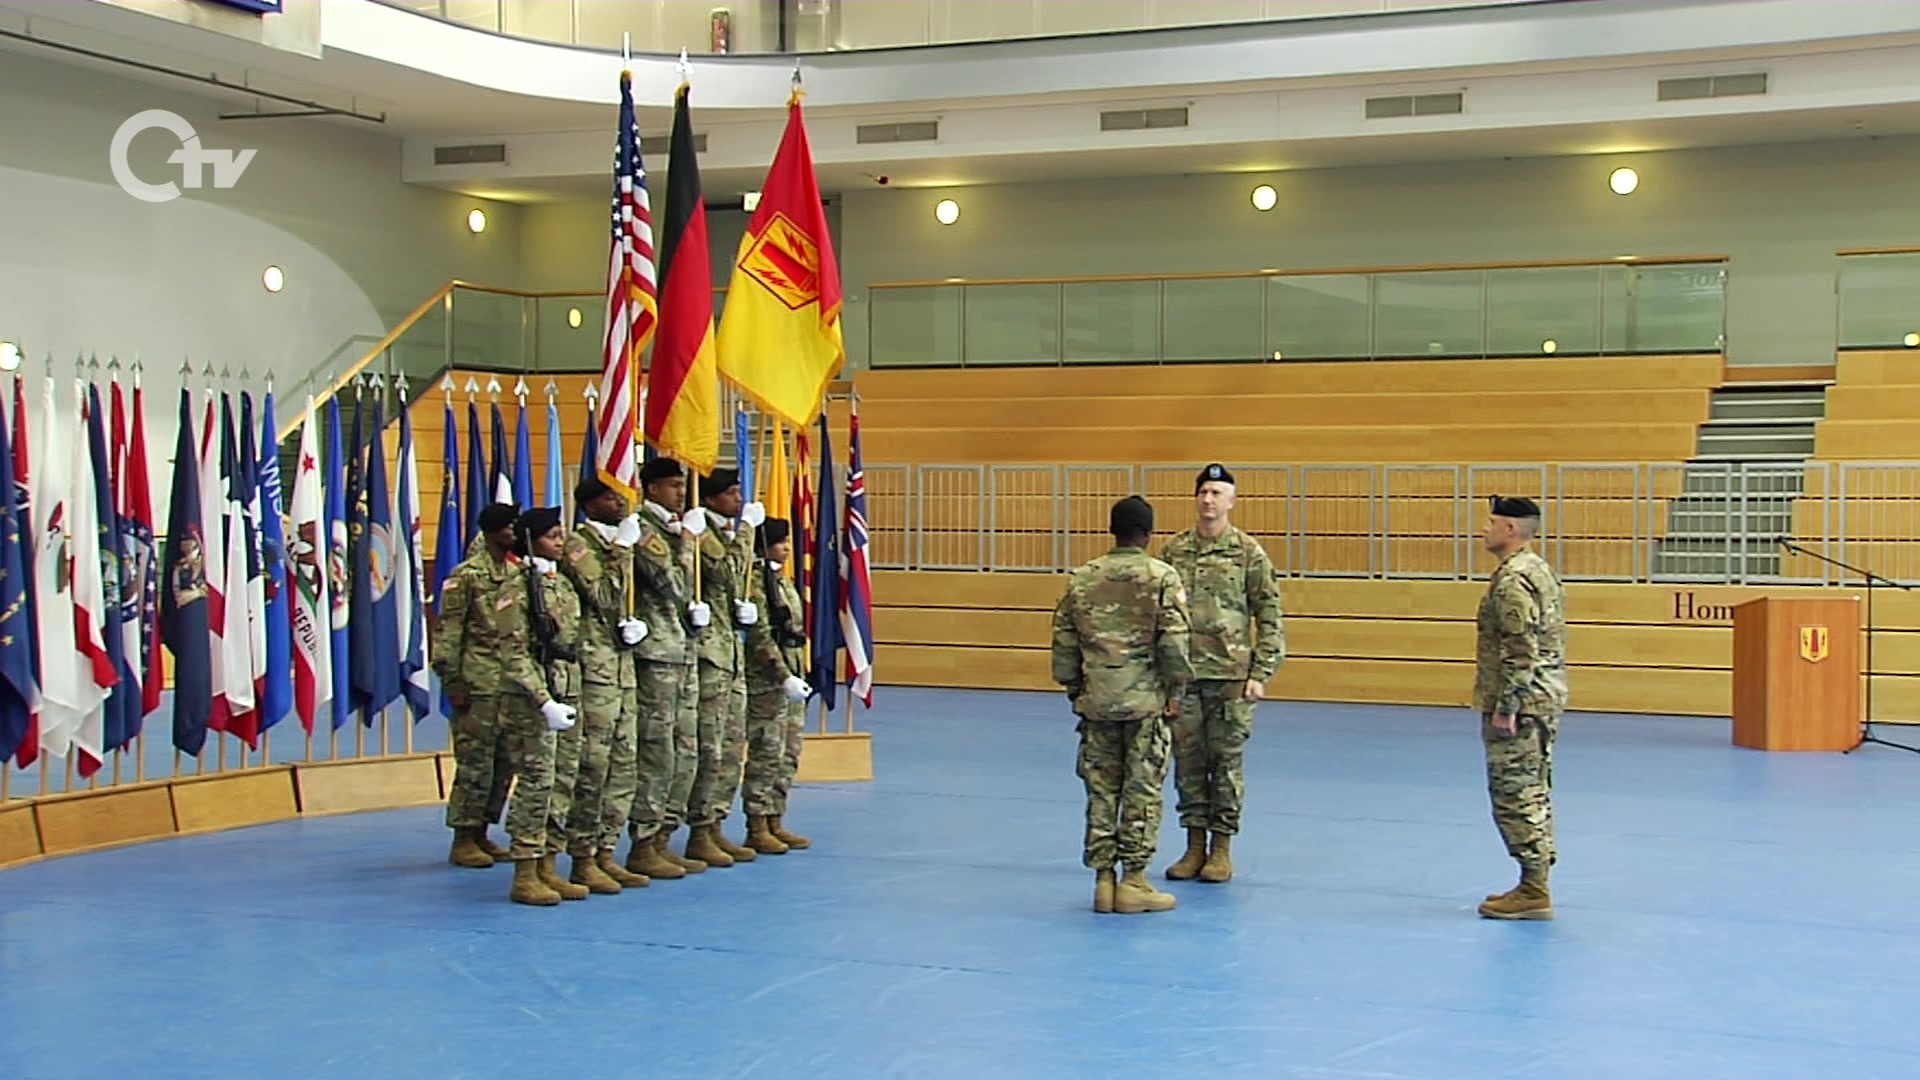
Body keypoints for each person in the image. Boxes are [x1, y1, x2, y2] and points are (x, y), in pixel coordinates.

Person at [1051, 495, 1194, 915]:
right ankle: (1134, 880)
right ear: (1148, 534)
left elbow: (1064, 645)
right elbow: (1174, 645)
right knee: (1142, 790)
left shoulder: (1082, 578)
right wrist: (1175, 694)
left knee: (1101, 790)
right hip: (1146, 705)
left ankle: (1103, 881)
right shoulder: (1162, 577)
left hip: (1097, 703)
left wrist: (1077, 690)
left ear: (1112, 531)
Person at [1158, 463, 1285, 884]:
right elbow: (1159, 614)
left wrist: (1261, 671)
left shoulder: (1248, 553)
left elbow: (1270, 615)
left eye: (1216, 493)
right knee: (1188, 762)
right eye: (1203, 492)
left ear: (1232, 501)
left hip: (1232, 677)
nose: (1208, 500)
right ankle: (1194, 844)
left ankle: (1222, 848)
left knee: (1226, 763)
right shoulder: (1174, 552)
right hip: (1185, 677)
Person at [557, 474, 654, 891]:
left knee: (623, 764)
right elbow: (605, 595)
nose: (621, 504)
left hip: (622, 668)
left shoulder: (616, 543)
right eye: (612, 498)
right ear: (591, 504)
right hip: (594, 671)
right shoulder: (577, 545)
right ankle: (582, 857)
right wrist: (623, 549)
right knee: (593, 767)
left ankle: (606, 851)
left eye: (621, 497)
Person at [1473, 494, 1568, 921]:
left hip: (1523, 703)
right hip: (1542, 697)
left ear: (1510, 529)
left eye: (1492, 522)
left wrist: (1506, 706)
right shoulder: (1537, 569)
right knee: (1534, 788)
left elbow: (1520, 649)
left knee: (1514, 794)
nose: (1485, 529)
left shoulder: (1513, 580)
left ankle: (1533, 887)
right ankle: (1535, 879)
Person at [624, 457, 713, 877]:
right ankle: (643, 842)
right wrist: (689, 541)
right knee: (657, 751)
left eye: (682, 485)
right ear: (653, 489)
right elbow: (674, 584)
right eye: (674, 486)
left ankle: (664, 836)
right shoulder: (644, 531)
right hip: (657, 655)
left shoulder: (671, 530)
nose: (681, 493)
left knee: (686, 750)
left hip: (682, 650)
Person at [495, 507, 586, 906]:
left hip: (566, 690)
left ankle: (549, 863)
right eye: (551, 536)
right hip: (531, 701)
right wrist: (543, 700)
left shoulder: (560, 583)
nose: (560, 541)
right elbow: (514, 653)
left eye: (561, 534)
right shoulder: (514, 588)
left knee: (563, 781)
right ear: (531, 541)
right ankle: (525, 871)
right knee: (536, 783)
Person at [432, 501, 521, 868]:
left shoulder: (516, 573)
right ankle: (464, 836)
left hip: (510, 682)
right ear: (492, 530)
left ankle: (483, 829)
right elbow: (448, 630)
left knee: (504, 762)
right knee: (475, 762)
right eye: (508, 525)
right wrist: (452, 680)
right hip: (477, 681)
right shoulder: (467, 575)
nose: (514, 531)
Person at [685, 467, 765, 867]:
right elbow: (726, 571)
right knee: (711, 747)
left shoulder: (723, 534)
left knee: (732, 747)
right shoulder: (702, 533)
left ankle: (715, 823)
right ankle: (700, 829)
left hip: (729, 653)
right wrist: (748, 530)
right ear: (710, 499)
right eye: (731, 492)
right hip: (709, 657)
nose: (738, 498)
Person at [741, 518, 815, 853]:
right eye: (779, 542)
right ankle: (757, 825)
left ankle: (775, 819)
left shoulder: (782, 582)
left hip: (792, 676)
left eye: (787, 541)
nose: (786, 548)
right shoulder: (755, 582)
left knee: (789, 752)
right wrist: (783, 676)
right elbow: (760, 636)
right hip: (767, 680)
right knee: (766, 752)